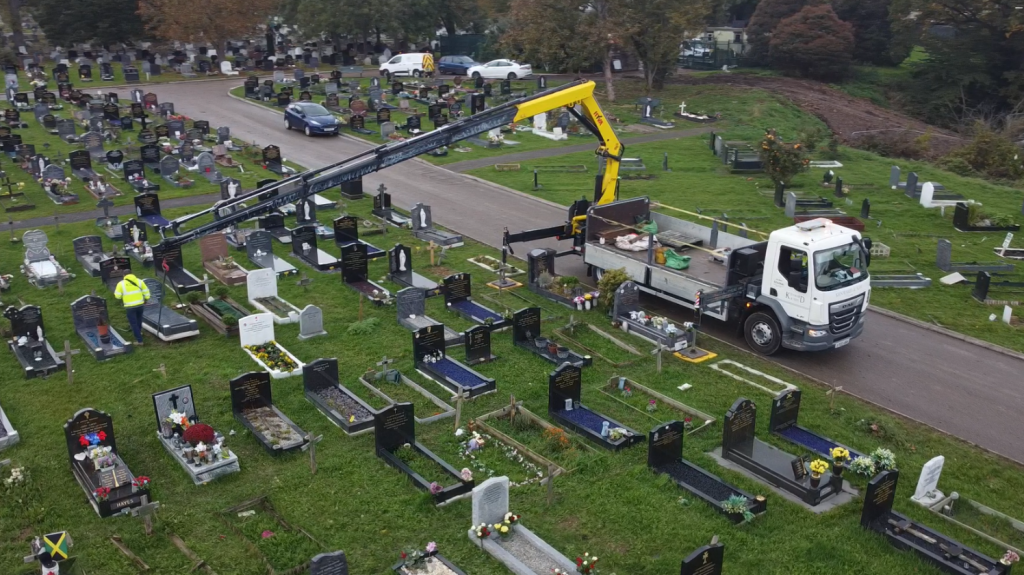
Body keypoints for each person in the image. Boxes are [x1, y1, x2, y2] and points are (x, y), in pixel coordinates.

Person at [114, 273, 151, 345]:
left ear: (124, 275)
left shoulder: (121, 284)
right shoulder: (140, 281)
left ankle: (139, 341)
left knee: (133, 323)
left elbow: (117, 296)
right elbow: (146, 292)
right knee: (139, 320)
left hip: (130, 307)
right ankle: (139, 331)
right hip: (140, 305)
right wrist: (146, 299)